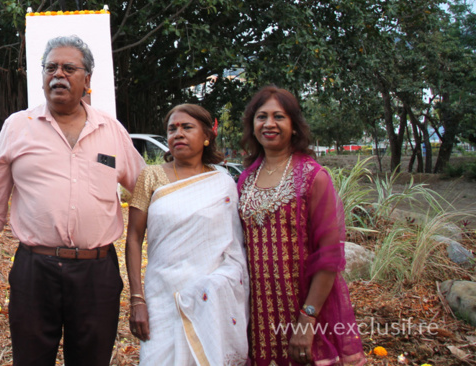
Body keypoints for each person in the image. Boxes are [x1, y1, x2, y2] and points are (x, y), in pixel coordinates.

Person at [0, 35, 145, 366]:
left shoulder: (111, 131)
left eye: (69, 68)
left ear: (87, 80)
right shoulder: (18, 126)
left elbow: (144, 189)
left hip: (96, 272)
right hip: (34, 270)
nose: (58, 75)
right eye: (50, 67)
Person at [238, 86, 365, 365]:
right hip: (256, 313)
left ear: (294, 126)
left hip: (303, 307)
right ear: (252, 125)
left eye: (279, 117)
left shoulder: (313, 177)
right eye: (261, 117)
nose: (269, 124)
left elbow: (329, 256)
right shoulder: (245, 180)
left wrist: (307, 318)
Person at [126, 104, 249, 365]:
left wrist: (217, 282)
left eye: (187, 127)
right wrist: (137, 298)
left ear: (206, 136)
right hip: (162, 294)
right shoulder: (150, 177)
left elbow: (234, 246)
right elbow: (134, 239)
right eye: (172, 129)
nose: (177, 134)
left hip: (209, 296)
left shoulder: (223, 182)